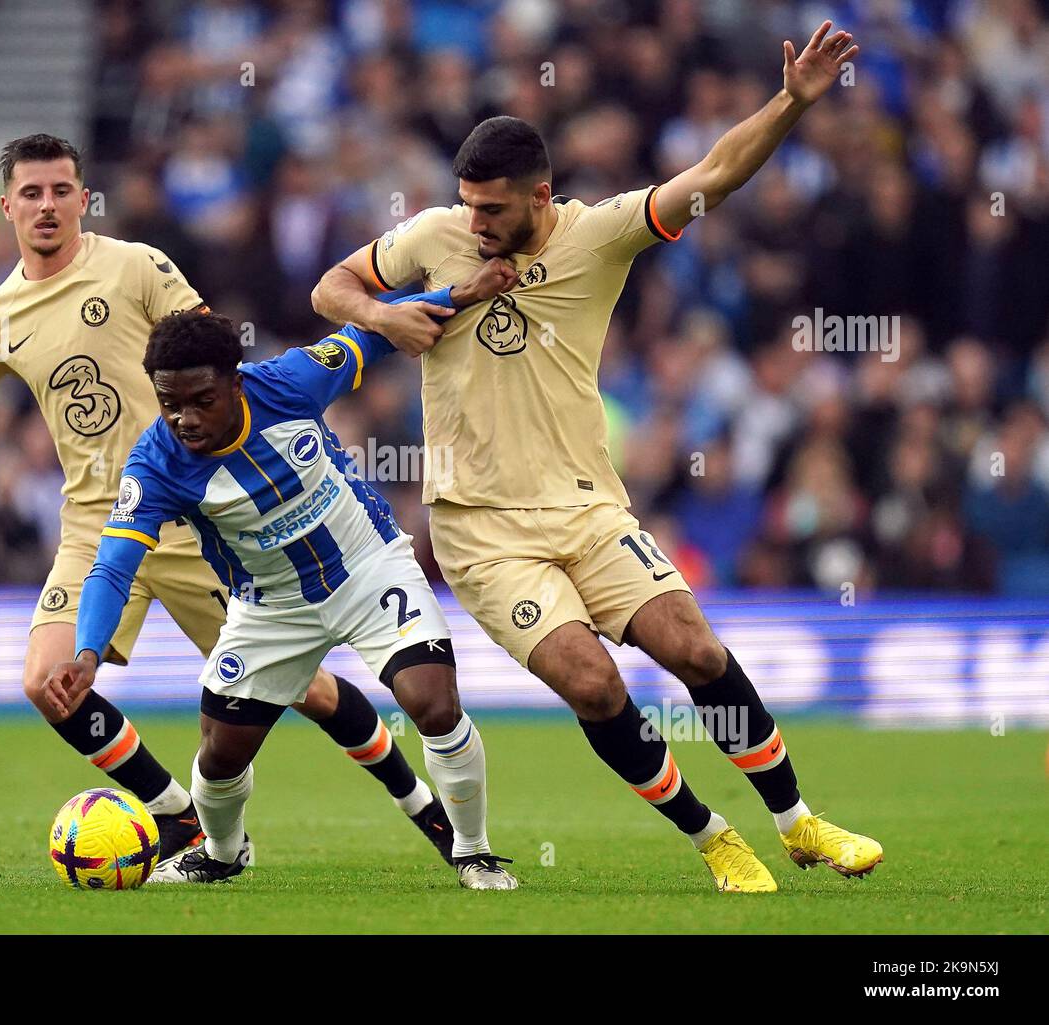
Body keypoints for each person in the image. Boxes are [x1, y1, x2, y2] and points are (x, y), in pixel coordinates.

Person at [310, 22, 882, 891]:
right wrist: (385, 316)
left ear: (540, 195)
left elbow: (714, 176)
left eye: (493, 209)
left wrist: (793, 103)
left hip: (588, 505)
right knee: (594, 682)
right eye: (467, 204)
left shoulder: (600, 234)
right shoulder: (433, 237)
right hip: (482, 528)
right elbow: (331, 287)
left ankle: (798, 823)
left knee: (691, 648)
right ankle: (714, 836)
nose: (476, 222)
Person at [0, 133, 456, 870]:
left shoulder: (136, 265)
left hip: (199, 518)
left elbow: (221, 361)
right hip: (98, 525)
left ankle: (427, 809)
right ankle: (182, 820)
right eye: (31, 193)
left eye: (61, 189)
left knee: (310, 693)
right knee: (47, 682)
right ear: (7, 207)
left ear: (82, 197)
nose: (47, 205)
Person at [42, 268, 520, 889]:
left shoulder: (291, 382)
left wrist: (461, 293)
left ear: (235, 385)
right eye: (169, 403)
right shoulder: (155, 464)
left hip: (368, 568)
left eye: (200, 401)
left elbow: (372, 331)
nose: (184, 418)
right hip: (269, 606)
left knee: (431, 701)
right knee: (218, 756)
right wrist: (86, 654)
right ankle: (222, 851)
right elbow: (113, 564)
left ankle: (474, 852)